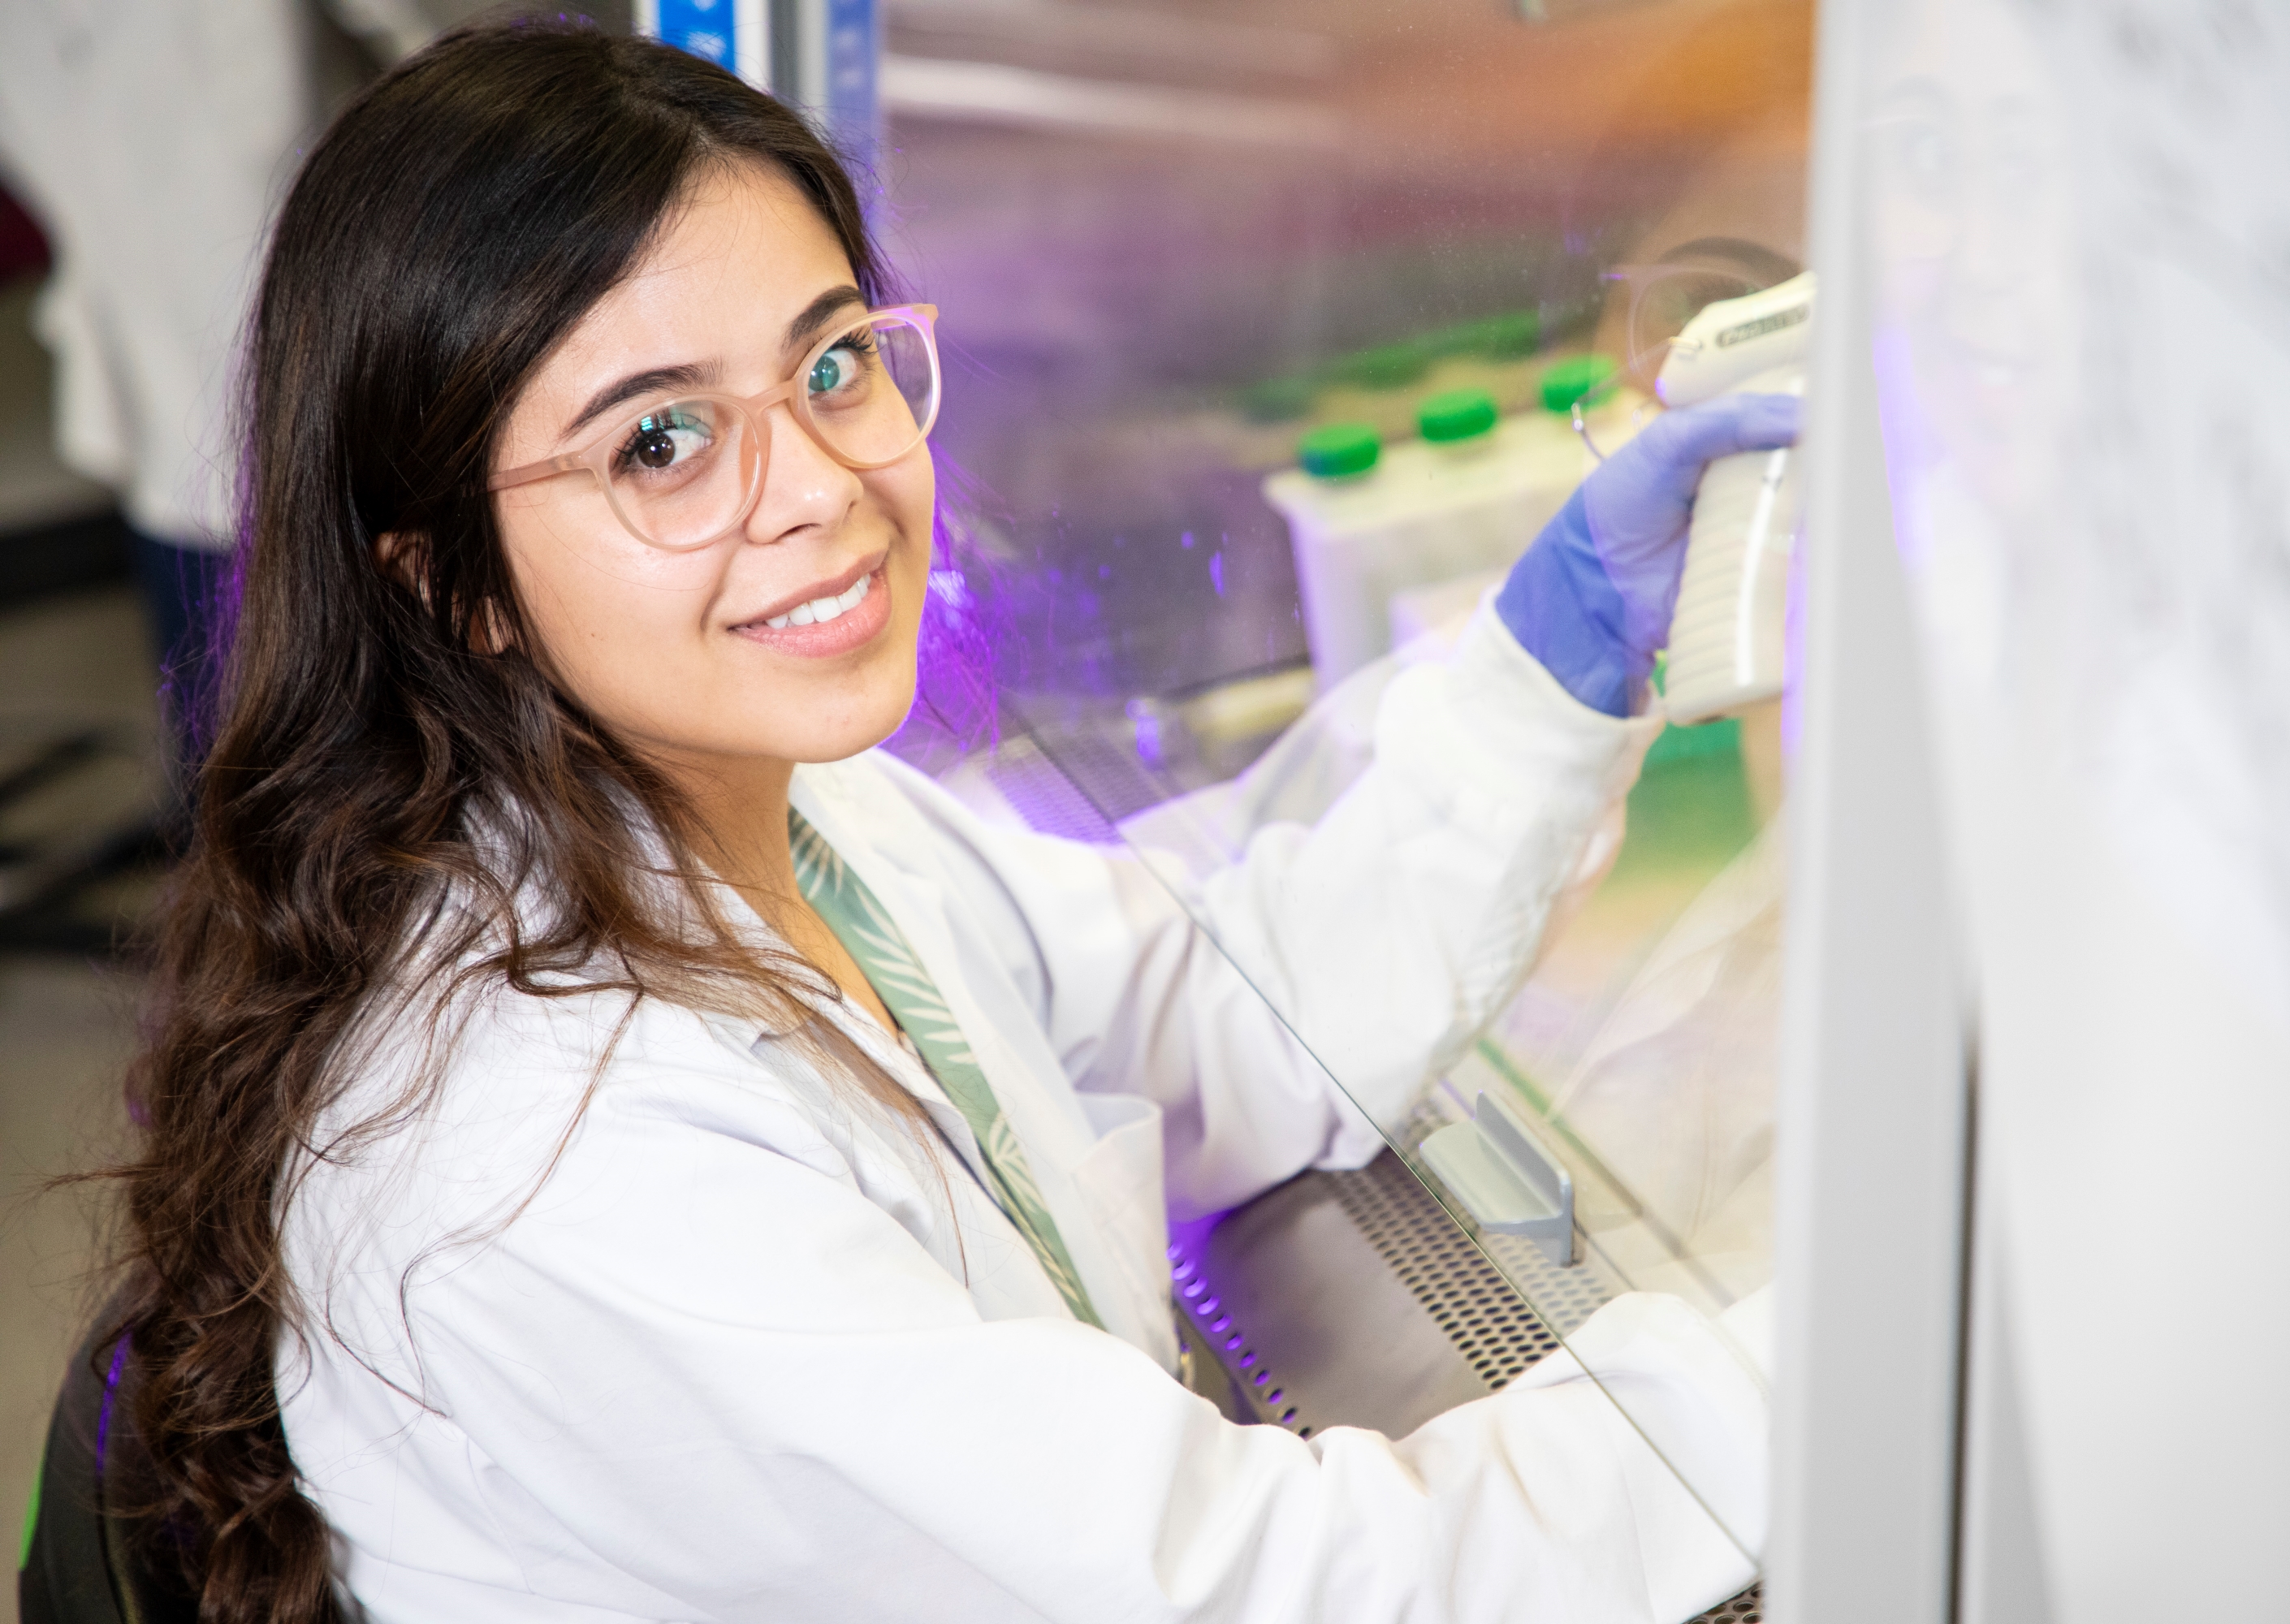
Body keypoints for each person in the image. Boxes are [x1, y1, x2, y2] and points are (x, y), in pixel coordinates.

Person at [95, 23, 1800, 1624]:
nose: (826, 487)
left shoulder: (783, 812)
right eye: (664, 443)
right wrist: (1828, 1360)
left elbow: (1202, 1019)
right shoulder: (556, 1160)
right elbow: (1251, 1584)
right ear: (444, 579)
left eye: (833, 363)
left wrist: (1554, 664)